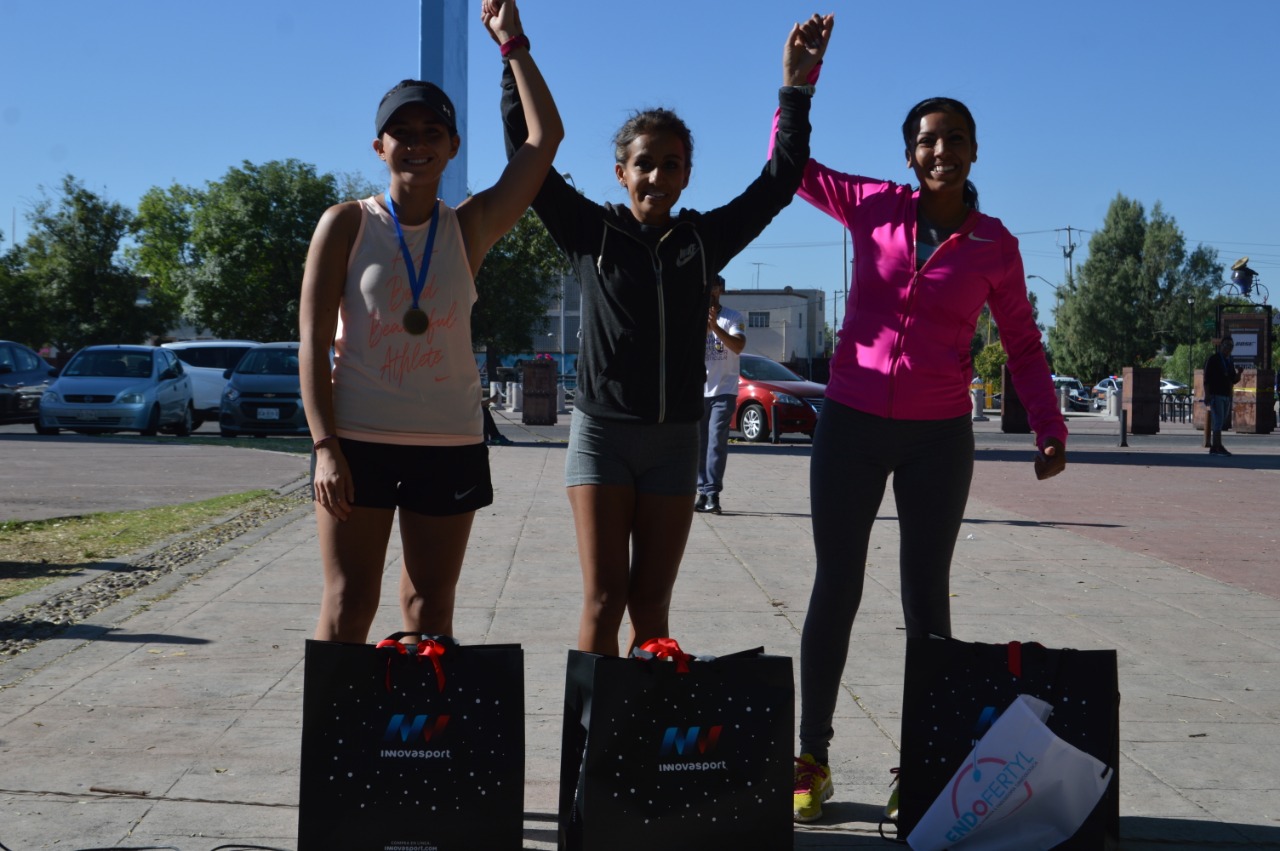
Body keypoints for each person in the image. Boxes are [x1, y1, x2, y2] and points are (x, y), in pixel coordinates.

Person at [777, 73, 1068, 822]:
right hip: (850, 422)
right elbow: (792, 167)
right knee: (836, 584)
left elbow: (1023, 344)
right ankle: (811, 755)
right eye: (927, 141)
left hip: (939, 435)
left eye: (955, 139)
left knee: (926, 598)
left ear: (975, 152)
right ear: (909, 154)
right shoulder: (872, 204)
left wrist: (1049, 423)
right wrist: (798, 88)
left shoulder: (995, 245)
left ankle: (925, 761)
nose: (941, 151)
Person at [500, 15, 832, 656]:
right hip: (602, 436)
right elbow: (526, 151)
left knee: (651, 605)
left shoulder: (703, 241)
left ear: (687, 175)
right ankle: (591, 724)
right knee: (603, 601)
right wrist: (512, 51)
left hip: (675, 440)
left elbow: (780, 181)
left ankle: (641, 719)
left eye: (670, 166)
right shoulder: (591, 233)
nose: (656, 177)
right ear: (621, 172)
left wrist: (796, 90)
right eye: (644, 165)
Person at [299, 0, 562, 644]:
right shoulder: (345, 224)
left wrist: (513, 43)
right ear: (379, 145)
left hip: (448, 442)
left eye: (431, 132)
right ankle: (340, 717)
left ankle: (416, 715)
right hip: (357, 439)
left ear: (452, 147)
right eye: (402, 132)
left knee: (430, 610)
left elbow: (544, 140)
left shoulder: (470, 226)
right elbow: (310, 342)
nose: (416, 144)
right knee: (348, 604)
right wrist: (325, 447)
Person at [696, 276, 746, 515]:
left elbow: (738, 346)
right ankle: (702, 492)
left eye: (715, 286)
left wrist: (715, 327)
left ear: (721, 289)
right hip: (698, 390)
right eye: (707, 286)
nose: (711, 291)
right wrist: (704, 329)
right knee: (699, 443)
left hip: (724, 390)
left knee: (716, 440)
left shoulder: (733, 317)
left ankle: (713, 493)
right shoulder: (694, 316)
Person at [1203, 337, 1242, 456]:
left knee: (1222, 420)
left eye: (1231, 346)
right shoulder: (1214, 359)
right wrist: (1207, 395)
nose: (1228, 348)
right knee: (1218, 421)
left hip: (1226, 395)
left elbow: (1233, 379)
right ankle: (1217, 446)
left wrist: (1239, 373)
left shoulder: (1229, 361)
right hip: (1216, 394)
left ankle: (1216, 447)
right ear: (1221, 346)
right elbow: (1206, 378)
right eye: (1226, 345)